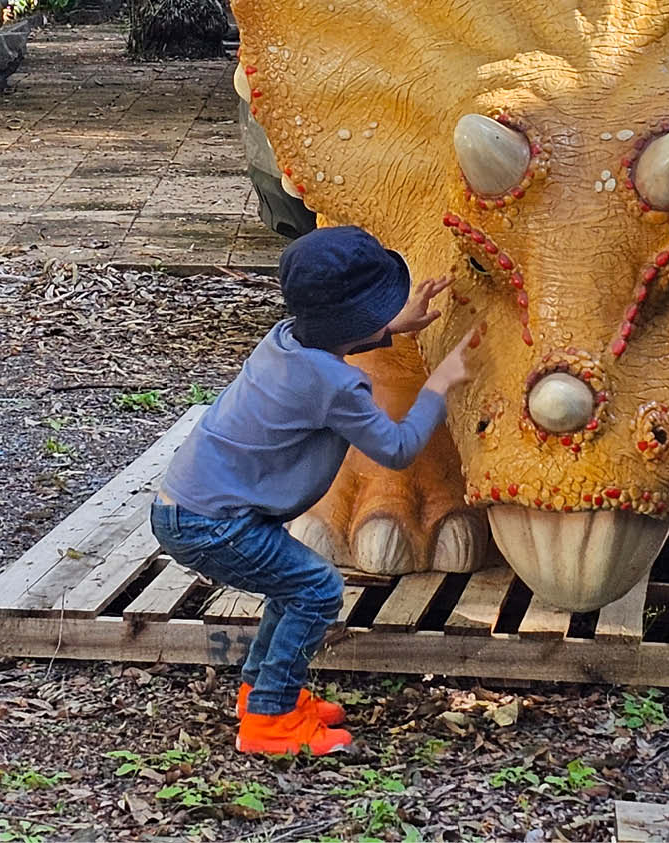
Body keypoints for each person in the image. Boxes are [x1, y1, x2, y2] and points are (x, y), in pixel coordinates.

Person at [151, 225, 478, 756]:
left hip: (188, 505)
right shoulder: (335, 385)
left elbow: (334, 338)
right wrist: (437, 383)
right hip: (212, 522)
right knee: (318, 590)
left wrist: (393, 324)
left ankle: (265, 695)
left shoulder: (285, 339)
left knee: (295, 587)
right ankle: (270, 725)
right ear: (360, 321)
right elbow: (396, 449)